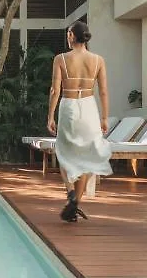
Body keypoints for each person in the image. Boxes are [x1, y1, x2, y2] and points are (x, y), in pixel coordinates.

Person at [47, 20, 112, 222]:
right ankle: (75, 205)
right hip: (89, 107)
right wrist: (104, 117)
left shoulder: (61, 59)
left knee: (63, 152)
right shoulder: (98, 60)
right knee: (86, 157)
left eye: (68, 33)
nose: (67, 36)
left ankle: (71, 194)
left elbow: (55, 90)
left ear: (72, 36)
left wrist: (50, 116)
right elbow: (103, 91)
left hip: (69, 106)